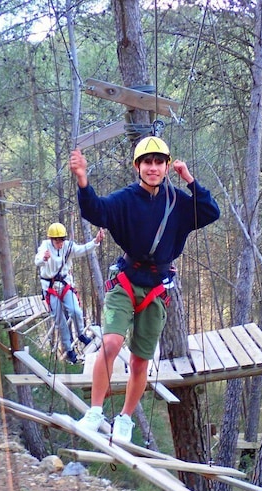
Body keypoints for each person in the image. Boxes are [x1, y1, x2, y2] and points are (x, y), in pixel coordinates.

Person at [69, 136, 220, 442]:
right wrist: (83, 181)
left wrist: (188, 179)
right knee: (110, 343)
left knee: (140, 360)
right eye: (147, 162)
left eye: (159, 162)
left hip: (156, 290)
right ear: (138, 167)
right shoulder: (125, 199)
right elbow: (96, 211)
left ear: (166, 166)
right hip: (126, 281)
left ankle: (125, 419)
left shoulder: (177, 202)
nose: (153, 168)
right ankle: (95, 411)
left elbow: (210, 211)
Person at [35, 222, 104, 364]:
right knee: (60, 321)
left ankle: (81, 335)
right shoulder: (45, 246)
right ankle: (69, 349)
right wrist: (44, 259)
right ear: (51, 239)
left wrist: (95, 242)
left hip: (65, 284)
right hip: (50, 288)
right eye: (57, 240)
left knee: (76, 311)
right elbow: (38, 260)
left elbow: (83, 249)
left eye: (62, 240)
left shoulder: (68, 247)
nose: (60, 243)